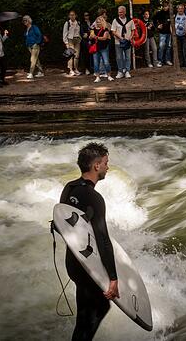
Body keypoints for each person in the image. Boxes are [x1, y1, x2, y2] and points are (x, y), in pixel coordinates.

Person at [59, 143, 119, 341]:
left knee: (86, 315)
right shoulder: (95, 197)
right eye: (105, 163)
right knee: (99, 308)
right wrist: (113, 278)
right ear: (96, 166)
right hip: (87, 266)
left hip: (73, 262)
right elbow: (102, 238)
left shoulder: (69, 188)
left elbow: (62, 226)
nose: (107, 167)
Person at [111, 6, 133, 79]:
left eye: (121, 12)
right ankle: (120, 71)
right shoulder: (115, 20)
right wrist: (120, 37)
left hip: (127, 41)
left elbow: (133, 30)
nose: (120, 14)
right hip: (118, 42)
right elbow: (113, 31)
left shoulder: (130, 20)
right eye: (119, 12)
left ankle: (127, 71)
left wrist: (130, 37)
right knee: (119, 57)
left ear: (125, 12)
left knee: (128, 57)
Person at [92, 16, 114, 82]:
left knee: (106, 62)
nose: (98, 23)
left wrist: (96, 37)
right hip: (96, 48)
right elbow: (90, 37)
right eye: (97, 22)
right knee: (96, 63)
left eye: (100, 22)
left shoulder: (105, 29)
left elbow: (104, 38)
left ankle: (109, 75)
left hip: (104, 47)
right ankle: (97, 77)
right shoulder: (93, 29)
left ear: (102, 22)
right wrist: (91, 36)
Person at [63, 10, 82, 76]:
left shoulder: (78, 23)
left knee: (77, 56)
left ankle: (76, 69)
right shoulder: (67, 23)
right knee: (71, 55)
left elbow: (80, 32)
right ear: (69, 16)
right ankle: (71, 70)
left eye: (73, 15)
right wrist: (66, 43)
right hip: (70, 40)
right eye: (70, 15)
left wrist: (80, 39)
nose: (72, 16)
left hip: (77, 40)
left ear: (75, 15)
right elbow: (65, 33)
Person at [154, 1, 173, 66]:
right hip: (162, 33)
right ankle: (160, 61)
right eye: (164, 6)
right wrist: (157, 25)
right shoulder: (159, 13)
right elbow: (153, 20)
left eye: (166, 6)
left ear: (168, 6)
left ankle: (167, 60)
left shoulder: (170, 13)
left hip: (169, 32)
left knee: (169, 46)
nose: (165, 7)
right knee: (161, 47)